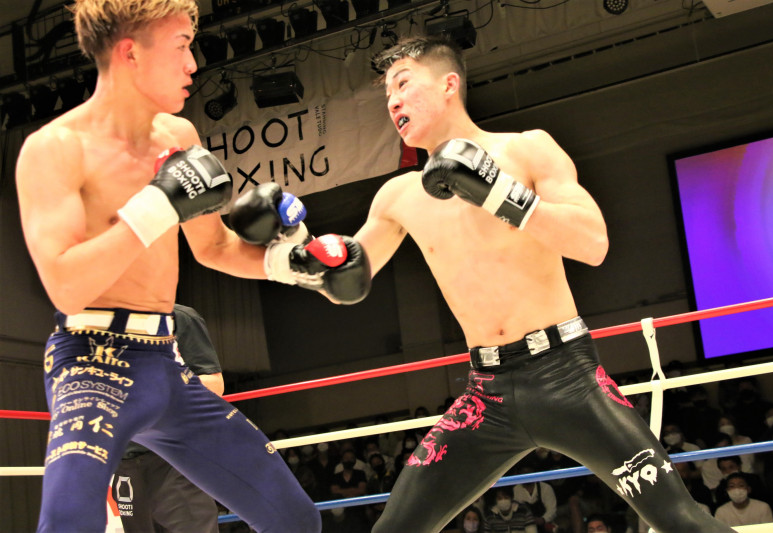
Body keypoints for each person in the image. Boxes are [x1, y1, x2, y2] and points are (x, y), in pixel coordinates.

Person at [356, 36, 735, 533]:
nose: (393, 101)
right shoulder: (397, 195)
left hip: (567, 377)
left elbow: (593, 243)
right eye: (388, 93)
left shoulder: (527, 149)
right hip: (485, 396)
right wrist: (286, 251)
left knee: (680, 520)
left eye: (403, 83)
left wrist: (500, 192)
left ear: (449, 84)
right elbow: (345, 276)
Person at [15, 1, 366, 531]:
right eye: (180, 45)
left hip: (166, 363)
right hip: (91, 362)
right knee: (68, 523)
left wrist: (295, 265)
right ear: (131, 53)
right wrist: (157, 204)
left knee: (295, 520)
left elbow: (215, 247)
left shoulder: (178, 137)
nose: (193, 64)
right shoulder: (55, 150)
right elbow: (65, 285)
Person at [111, 304, 224, 533]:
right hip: (125, 460)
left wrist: (158, 382)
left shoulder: (179, 317)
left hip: (173, 456)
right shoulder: (96, 322)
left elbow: (215, 385)